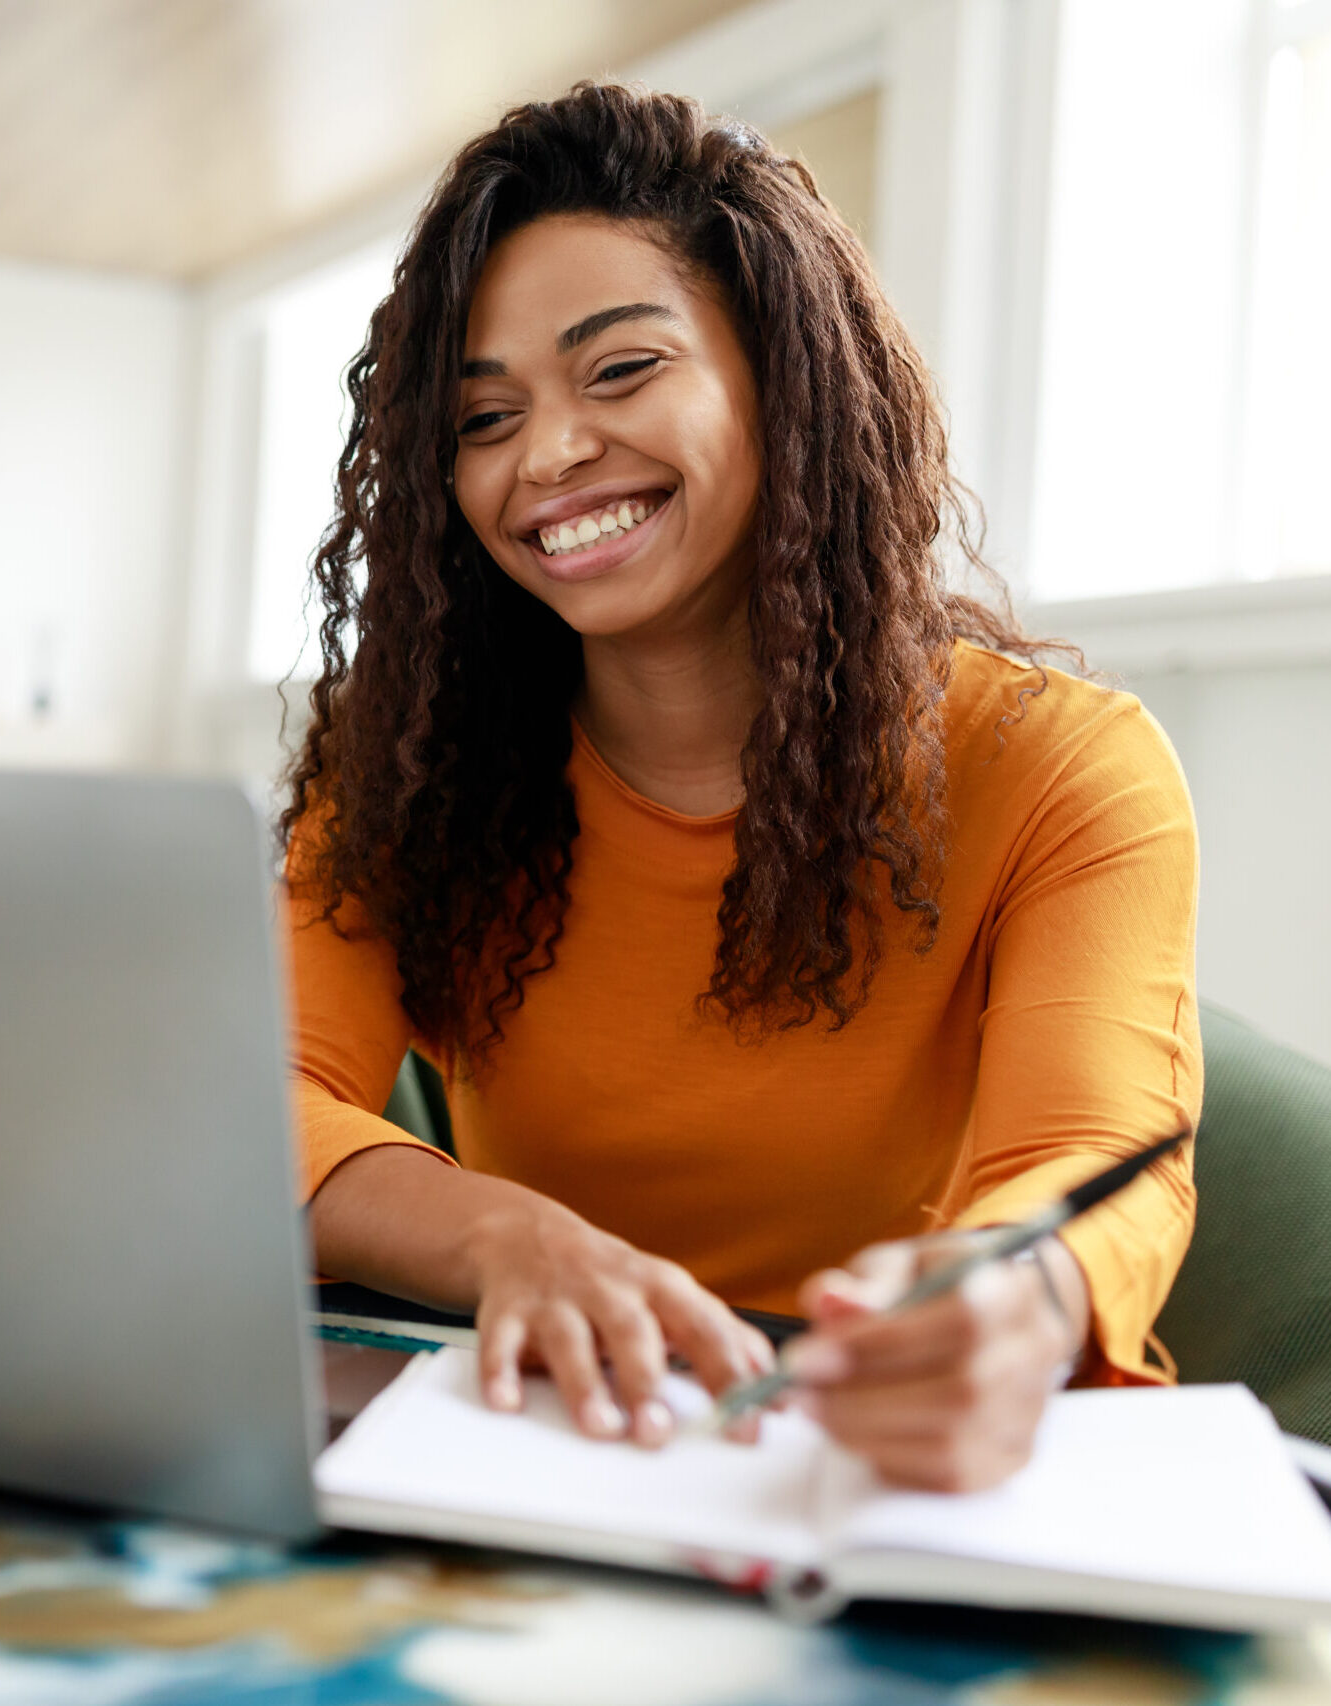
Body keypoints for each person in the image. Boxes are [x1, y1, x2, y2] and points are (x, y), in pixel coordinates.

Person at [281, 83, 1199, 1491]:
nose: (547, 455)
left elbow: (1092, 1156)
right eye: (481, 416)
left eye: (621, 369)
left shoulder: (1063, 766)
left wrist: (1010, 1304)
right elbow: (258, 1096)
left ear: (784, 373)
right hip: (538, 1447)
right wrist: (505, 1236)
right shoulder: (407, 767)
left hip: (875, 1475)